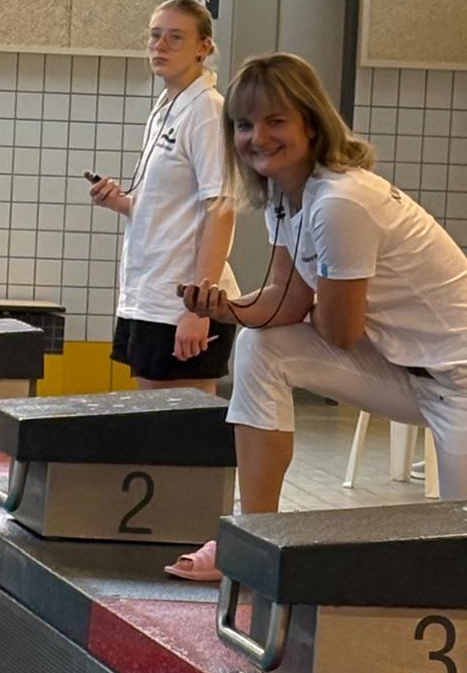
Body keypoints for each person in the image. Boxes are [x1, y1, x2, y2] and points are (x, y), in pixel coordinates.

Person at [170, 52, 467, 580]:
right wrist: (225, 309)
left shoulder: (340, 201)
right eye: (244, 125)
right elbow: (285, 301)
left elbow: (341, 332)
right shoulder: (288, 197)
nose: (258, 137)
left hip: (458, 383)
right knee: (262, 345)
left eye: (275, 121)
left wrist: (295, 306)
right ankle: (253, 536)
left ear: (311, 123)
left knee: (453, 566)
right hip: (411, 376)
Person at [89, 0, 237, 394]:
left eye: (175, 37)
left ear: (204, 47)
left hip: (182, 301)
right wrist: (122, 202)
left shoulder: (206, 110)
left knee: (181, 422)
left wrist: (198, 308)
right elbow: (171, 209)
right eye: (155, 36)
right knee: (153, 417)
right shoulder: (166, 107)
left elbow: (221, 209)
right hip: (151, 292)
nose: (160, 46)